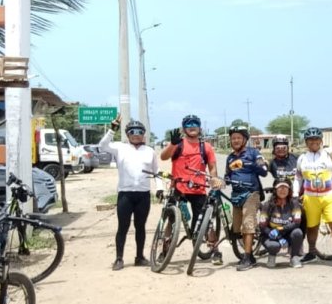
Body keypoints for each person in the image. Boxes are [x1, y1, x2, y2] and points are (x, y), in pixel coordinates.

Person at [99, 119, 159, 270]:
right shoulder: (120, 148)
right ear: (127, 134)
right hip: (125, 194)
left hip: (143, 195)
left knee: (141, 227)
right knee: (123, 227)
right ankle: (119, 259)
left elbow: (156, 172)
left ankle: (140, 257)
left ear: (144, 135)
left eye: (139, 132)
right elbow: (102, 146)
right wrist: (112, 129)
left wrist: (160, 188)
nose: (136, 135)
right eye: (132, 132)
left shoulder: (150, 151)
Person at [160, 114, 219, 262]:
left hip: (198, 189)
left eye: (195, 124)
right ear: (183, 128)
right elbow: (163, 157)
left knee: (205, 221)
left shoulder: (205, 146)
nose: (192, 126)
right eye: (188, 124)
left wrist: (214, 179)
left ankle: (214, 249)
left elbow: (212, 167)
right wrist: (172, 144)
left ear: (199, 128)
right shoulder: (178, 144)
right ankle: (164, 249)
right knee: (171, 220)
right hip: (179, 188)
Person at [297, 127, 332, 268]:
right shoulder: (302, 158)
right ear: (306, 142)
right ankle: (312, 252)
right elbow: (298, 178)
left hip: (329, 195)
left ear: (321, 140)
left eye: (316, 139)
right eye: (310, 139)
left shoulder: (328, 153)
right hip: (310, 197)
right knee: (312, 227)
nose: (314, 141)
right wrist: (296, 194)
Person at [223, 123, 268, 271]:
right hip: (236, 195)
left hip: (251, 193)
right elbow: (227, 176)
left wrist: (252, 164)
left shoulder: (254, 153)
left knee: (248, 223)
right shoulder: (230, 158)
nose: (235, 140)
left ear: (244, 139)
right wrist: (224, 180)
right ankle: (247, 250)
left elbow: (264, 170)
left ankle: (249, 257)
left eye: (238, 138)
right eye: (233, 138)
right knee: (237, 229)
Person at [260, 179, 305, 268]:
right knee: (274, 245)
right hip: (271, 236)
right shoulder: (267, 205)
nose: (283, 190)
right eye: (280, 188)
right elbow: (262, 225)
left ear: (289, 190)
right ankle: (272, 256)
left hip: (287, 235)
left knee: (297, 232)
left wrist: (281, 230)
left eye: (285, 188)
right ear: (275, 190)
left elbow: (296, 223)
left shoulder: (294, 203)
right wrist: (272, 233)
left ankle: (294, 257)